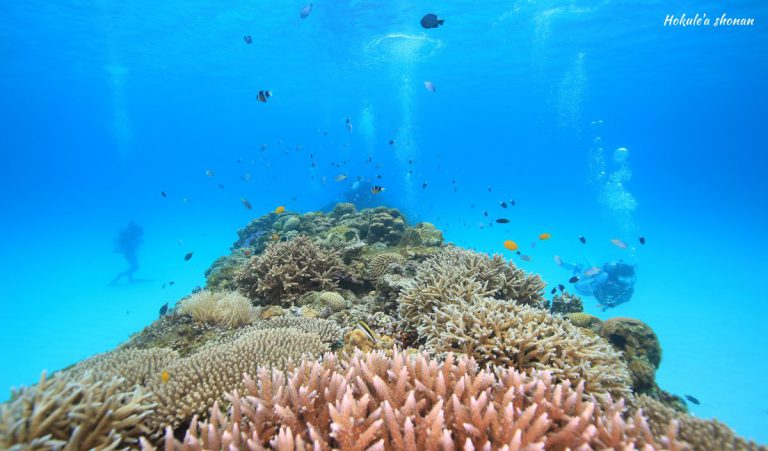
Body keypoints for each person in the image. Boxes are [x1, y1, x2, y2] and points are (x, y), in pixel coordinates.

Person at [560, 259, 636, 311]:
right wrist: (604, 303)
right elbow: (594, 288)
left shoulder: (628, 285)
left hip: (596, 289)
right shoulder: (605, 276)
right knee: (577, 284)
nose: (624, 281)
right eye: (622, 279)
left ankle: (581, 269)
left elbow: (626, 298)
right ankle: (577, 267)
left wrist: (610, 305)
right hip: (589, 285)